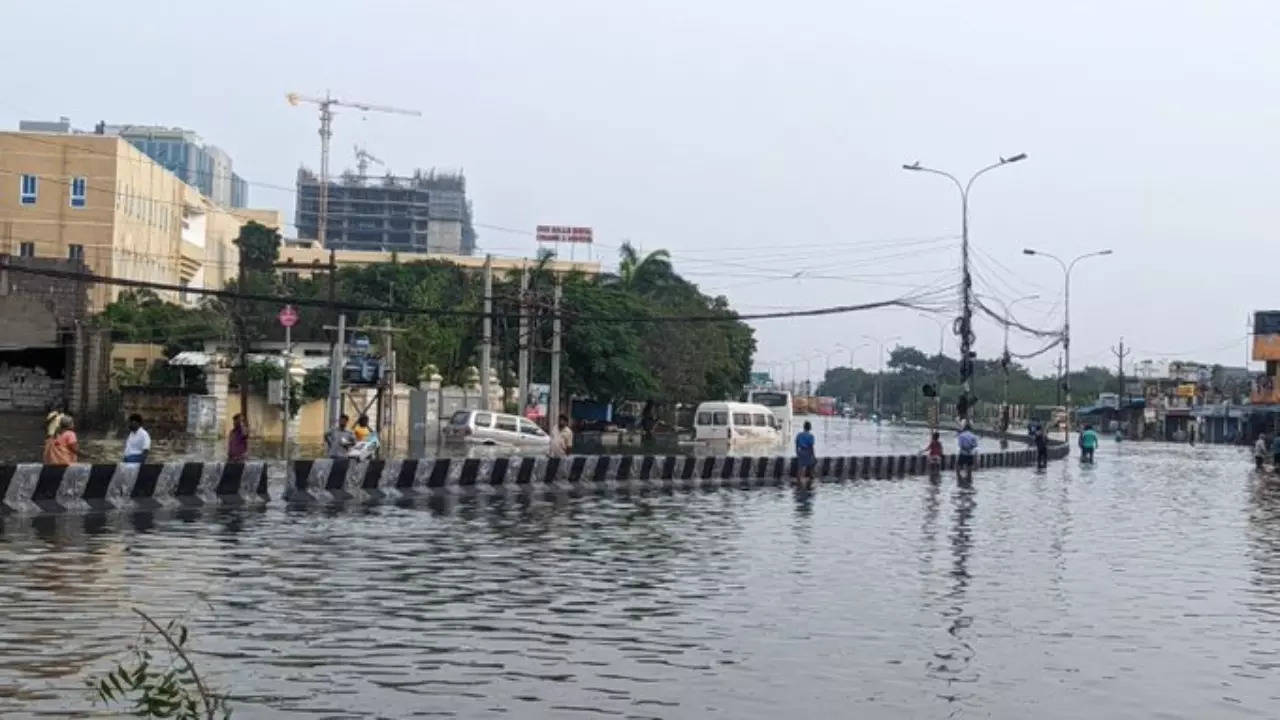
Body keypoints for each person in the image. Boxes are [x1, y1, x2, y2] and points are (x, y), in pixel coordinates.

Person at [795, 420, 817, 489]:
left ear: (804, 427)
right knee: (811, 466)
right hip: (808, 452)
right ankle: (811, 481)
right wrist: (813, 456)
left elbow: (796, 444)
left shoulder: (799, 435)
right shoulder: (811, 436)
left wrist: (797, 452)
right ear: (809, 428)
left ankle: (798, 482)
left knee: (800, 468)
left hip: (801, 452)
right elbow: (811, 447)